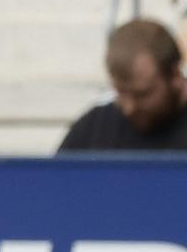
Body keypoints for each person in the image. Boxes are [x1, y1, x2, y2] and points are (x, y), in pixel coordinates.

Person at [58, 19, 187, 153]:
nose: (129, 108)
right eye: (121, 92)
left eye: (142, 94)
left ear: (175, 74)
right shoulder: (95, 128)